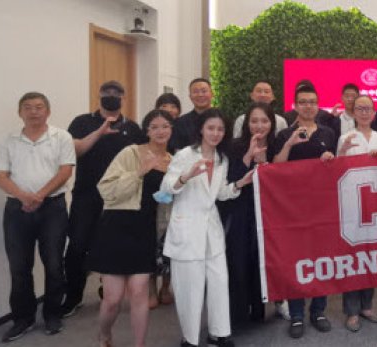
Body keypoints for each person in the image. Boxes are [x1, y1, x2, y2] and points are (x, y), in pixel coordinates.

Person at [161, 108, 253, 347]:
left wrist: (239, 184)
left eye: (220, 129)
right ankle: (189, 339)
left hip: (212, 230)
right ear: (201, 129)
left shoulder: (222, 159)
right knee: (190, 289)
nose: (215, 133)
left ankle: (218, 333)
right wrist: (185, 176)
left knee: (219, 282)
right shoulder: (185, 155)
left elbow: (220, 194)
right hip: (187, 228)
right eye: (211, 128)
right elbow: (166, 188)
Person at [88, 110, 173, 347]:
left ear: (171, 129)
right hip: (116, 227)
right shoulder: (131, 153)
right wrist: (139, 172)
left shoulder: (172, 161)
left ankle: (139, 344)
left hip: (146, 230)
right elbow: (106, 190)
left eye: (165, 126)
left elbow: (169, 198)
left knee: (139, 293)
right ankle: (105, 334)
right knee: (113, 299)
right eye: (154, 126)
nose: (160, 131)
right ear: (147, 130)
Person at [0, 92, 75, 342]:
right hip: (16, 209)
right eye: (28, 107)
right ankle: (23, 318)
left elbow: (65, 171)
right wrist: (24, 197)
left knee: (54, 263)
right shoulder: (8, 140)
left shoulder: (61, 137)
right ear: (20, 112)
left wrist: (39, 195)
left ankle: (52, 314)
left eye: (39, 107)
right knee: (19, 266)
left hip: (52, 208)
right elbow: (1, 177)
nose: (33, 111)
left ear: (47, 112)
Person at [63, 81, 146, 316]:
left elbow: (140, 159)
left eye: (116, 93)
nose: (111, 96)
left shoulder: (133, 128)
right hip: (86, 194)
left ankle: (108, 292)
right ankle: (73, 297)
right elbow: (74, 151)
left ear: (123, 98)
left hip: (120, 198)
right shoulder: (81, 122)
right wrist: (99, 132)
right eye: (106, 93)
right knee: (77, 245)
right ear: (98, 96)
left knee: (113, 245)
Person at [273, 83, 337, 338]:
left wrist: (330, 159)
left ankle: (318, 310)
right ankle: (297, 314)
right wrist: (289, 144)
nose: (308, 106)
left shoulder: (328, 132)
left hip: (322, 206)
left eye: (312, 102)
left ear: (318, 105)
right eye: (303, 102)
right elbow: (276, 166)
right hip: (292, 208)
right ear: (295, 106)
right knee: (295, 259)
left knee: (322, 258)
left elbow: (337, 167)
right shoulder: (284, 134)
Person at [221, 102, 277, 328]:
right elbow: (230, 179)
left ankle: (258, 309)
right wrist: (248, 155)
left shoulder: (276, 145)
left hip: (267, 212)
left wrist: (265, 162)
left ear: (272, 123)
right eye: (254, 121)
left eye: (264, 121)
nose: (259, 126)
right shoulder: (234, 146)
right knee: (239, 259)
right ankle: (237, 313)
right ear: (246, 123)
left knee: (260, 259)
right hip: (240, 210)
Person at [336, 95, 377, 333]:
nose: (364, 112)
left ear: (374, 113)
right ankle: (352, 310)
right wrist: (341, 153)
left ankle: (367, 305)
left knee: (372, 256)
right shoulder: (346, 137)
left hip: (376, 205)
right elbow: (336, 170)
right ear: (353, 112)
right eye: (359, 109)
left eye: (368, 109)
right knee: (353, 258)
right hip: (352, 205)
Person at [152, 93, 182, 308]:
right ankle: (151, 289)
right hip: (149, 200)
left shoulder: (179, 141)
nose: (161, 130)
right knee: (151, 243)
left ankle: (165, 287)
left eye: (173, 106)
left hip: (173, 199)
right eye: (164, 105)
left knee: (169, 242)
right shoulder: (143, 145)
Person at [171, 78, 215, 152]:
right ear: (190, 97)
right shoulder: (180, 123)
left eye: (204, 91)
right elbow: (177, 151)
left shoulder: (222, 121)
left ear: (212, 94)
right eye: (195, 92)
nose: (200, 95)